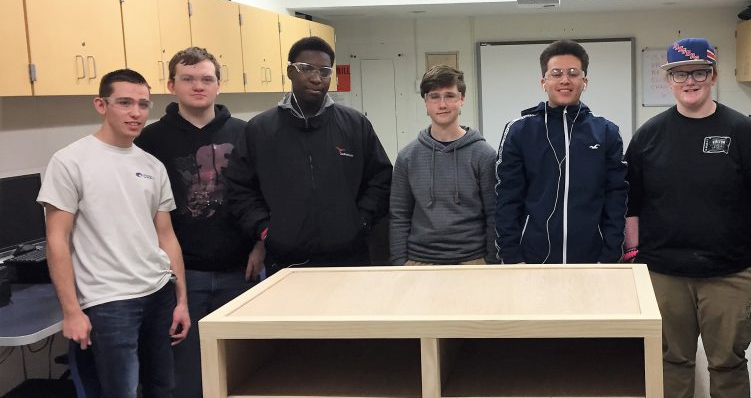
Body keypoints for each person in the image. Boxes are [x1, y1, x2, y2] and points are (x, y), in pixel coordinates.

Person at [38, 69, 192, 398]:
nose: (135, 113)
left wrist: (181, 297)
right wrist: (71, 310)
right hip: (108, 304)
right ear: (100, 105)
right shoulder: (70, 161)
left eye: (144, 104)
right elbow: (57, 240)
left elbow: (166, 237)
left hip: (157, 294)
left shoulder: (150, 164)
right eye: (125, 103)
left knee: (163, 397)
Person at [624, 38, 751, 398]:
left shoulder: (744, 133)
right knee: (672, 361)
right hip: (664, 272)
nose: (688, 81)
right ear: (668, 79)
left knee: (727, 363)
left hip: (730, 273)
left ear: (713, 75)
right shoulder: (649, 135)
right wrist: (635, 258)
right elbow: (632, 203)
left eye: (697, 73)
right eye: (679, 73)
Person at [136, 47, 264, 398]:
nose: (198, 86)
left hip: (240, 272)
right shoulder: (151, 141)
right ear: (171, 85)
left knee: (237, 371)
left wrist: (259, 246)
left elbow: (261, 198)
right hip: (180, 276)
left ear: (218, 84)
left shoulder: (246, 133)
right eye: (188, 79)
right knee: (182, 381)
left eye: (206, 79)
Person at [226, 36, 392, 270]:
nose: (316, 78)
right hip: (286, 260)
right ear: (290, 72)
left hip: (349, 257)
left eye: (324, 71)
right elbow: (239, 188)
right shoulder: (260, 129)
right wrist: (265, 229)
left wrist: (361, 221)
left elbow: (381, 178)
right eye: (306, 69)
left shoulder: (355, 125)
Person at [494, 39, 627, 264]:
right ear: (543, 81)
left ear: (584, 81)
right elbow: (507, 198)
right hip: (531, 260)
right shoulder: (519, 131)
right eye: (556, 73)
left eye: (573, 73)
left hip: (592, 261)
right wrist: (512, 257)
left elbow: (616, 198)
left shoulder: (606, 132)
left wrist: (610, 256)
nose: (565, 80)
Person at [389, 65, 497, 265]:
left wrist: (490, 262)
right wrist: (399, 264)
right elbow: (399, 216)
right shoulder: (407, 157)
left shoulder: (484, 155)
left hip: (473, 262)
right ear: (425, 102)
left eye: (450, 96)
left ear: (462, 99)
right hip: (419, 262)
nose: (442, 104)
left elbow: (494, 215)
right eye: (434, 96)